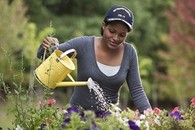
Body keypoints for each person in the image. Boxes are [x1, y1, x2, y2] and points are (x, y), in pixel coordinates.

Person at [37, 5, 151, 113]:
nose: (115, 38)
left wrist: (151, 116)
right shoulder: (84, 44)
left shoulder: (129, 53)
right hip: (76, 118)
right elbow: (45, 55)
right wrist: (46, 46)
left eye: (122, 35)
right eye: (112, 31)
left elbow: (137, 91)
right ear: (104, 26)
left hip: (107, 121)